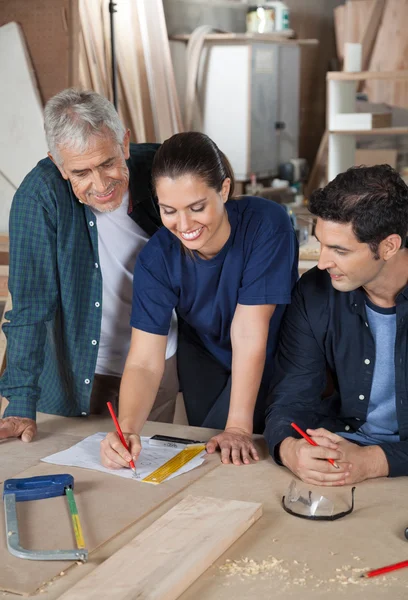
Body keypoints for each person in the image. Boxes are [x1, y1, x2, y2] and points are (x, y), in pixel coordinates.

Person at [100, 131, 298, 469]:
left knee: (261, 454)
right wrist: (128, 428)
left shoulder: (267, 223)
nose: (185, 224)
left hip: (271, 352)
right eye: (169, 210)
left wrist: (238, 426)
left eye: (197, 207)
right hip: (203, 357)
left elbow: (250, 331)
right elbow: (145, 361)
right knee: (213, 457)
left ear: (223, 189)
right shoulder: (156, 258)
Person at [0, 89, 178, 443]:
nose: (101, 186)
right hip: (79, 371)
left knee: (146, 474)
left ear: (125, 144)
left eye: (109, 163)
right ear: (58, 164)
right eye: (81, 172)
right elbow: (30, 307)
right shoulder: (38, 198)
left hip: (159, 361)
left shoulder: (163, 169)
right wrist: (20, 402)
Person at [264, 164, 408, 485]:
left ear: (389, 246)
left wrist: (372, 461)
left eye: (339, 250)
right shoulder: (315, 291)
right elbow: (291, 397)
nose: (322, 262)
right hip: (341, 450)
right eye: (321, 243)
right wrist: (290, 450)